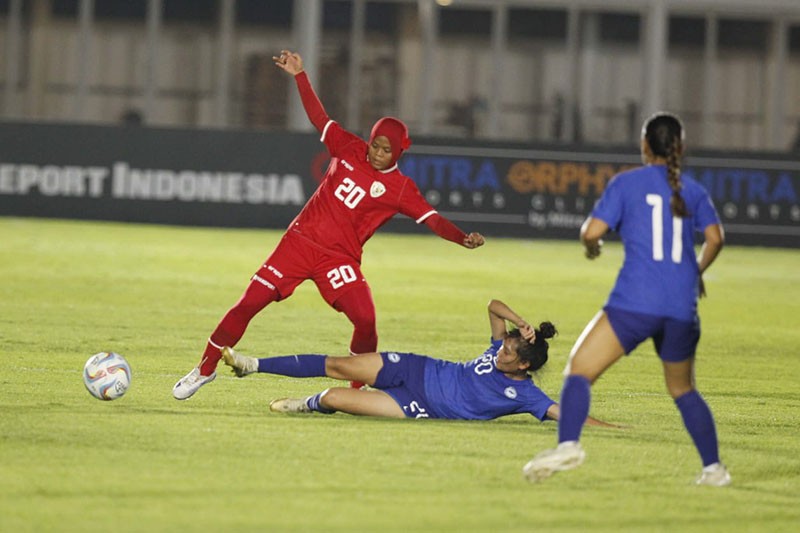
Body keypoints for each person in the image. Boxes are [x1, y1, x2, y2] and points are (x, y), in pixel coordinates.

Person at [173, 50, 485, 400]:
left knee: (365, 319)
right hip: (298, 244)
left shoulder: (401, 189)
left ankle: (357, 386)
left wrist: (462, 238)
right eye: (375, 145)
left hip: (339, 259)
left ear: (400, 151)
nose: (377, 153)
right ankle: (205, 369)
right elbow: (318, 116)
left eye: (386, 150)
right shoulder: (348, 147)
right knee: (248, 303)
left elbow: (433, 219)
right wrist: (299, 76)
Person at [522, 112, 729, 486]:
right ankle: (714, 469)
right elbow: (715, 239)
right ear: (680, 147)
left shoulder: (627, 183)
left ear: (644, 146)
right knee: (683, 389)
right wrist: (696, 272)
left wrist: (593, 247)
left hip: (636, 301)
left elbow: (591, 231)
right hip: (681, 307)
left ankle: (568, 445)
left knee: (579, 372)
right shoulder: (693, 190)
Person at [220, 298, 614, 427]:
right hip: (415, 368)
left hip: (417, 405)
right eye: (504, 345)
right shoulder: (499, 349)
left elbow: (567, 415)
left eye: (510, 352)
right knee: (338, 364)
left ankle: (307, 404)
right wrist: (520, 322)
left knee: (334, 398)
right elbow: (493, 306)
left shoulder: (526, 395)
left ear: (524, 367)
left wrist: (613, 428)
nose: (501, 352)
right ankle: (251, 365)